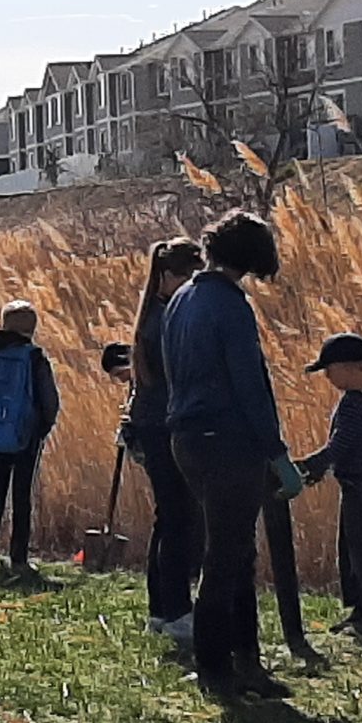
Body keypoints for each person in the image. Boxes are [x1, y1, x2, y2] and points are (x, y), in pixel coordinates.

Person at [163, 211, 305, 695]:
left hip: (185, 436)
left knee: (233, 548)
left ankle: (245, 660)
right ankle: (218, 667)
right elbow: (251, 385)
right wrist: (277, 452)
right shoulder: (231, 305)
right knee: (228, 556)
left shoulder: (182, 299)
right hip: (226, 439)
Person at [127, 238, 204, 644]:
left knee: (168, 517)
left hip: (153, 425)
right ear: (167, 276)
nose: (192, 284)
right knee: (179, 520)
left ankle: (161, 608)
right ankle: (175, 610)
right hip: (166, 426)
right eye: (186, 276)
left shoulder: (153, 313)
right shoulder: (166, 317)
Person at [298, 332, 362, 632]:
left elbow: (340, 445)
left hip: (360, 484)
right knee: (354, 544)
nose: (326, 376)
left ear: (353, 368)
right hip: (360, 482)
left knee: (358, 546)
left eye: (330, 369)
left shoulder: (352, 405)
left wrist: (311, 464)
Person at [0, 301, 61, 582]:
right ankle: (18, 557)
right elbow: (50, 402)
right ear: (32, 327)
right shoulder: (35, 357)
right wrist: (41, 429)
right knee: (21, 494)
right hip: (26, 436)